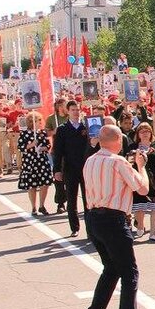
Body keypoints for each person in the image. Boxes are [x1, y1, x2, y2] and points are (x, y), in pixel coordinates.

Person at [80, 124, 151, 309]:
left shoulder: (91, 160)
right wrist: (141, 166)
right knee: (130, 274)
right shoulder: (117, 161)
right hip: (113, 219)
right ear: (118, 141)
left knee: (111, 269)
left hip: (94, 218)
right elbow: (142, 189)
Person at [52, 100, 90, 237]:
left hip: (86, 168)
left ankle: (90, 228)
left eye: (77, 109)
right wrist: (57, 170)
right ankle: (74, 227)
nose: (75, 112)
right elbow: (58, 151)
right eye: (73, 110)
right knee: (71, 199)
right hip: (70, 168)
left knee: (88, 199)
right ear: (68, 111)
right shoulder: (62, 129)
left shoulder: (86, 126)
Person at [128, 123, 155, 240]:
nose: (145, 134)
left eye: (147, 131)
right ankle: (140, 224)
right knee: (140, 205)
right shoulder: (132, 146)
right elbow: (128, 161)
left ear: (151, 133)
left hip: (154, 177)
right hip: (139, 176)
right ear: (138, 134)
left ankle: (153, 233)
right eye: (142, 131)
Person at [17, 110, 53, 216]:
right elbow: (20, 147)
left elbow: (48, 145)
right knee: (31, 184)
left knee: (45, 182)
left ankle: (42, 205)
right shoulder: (24, 133)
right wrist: (31, 145)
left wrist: (43, 148)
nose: (40, 122)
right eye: (38, 121)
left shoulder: (42, 133)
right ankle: (33, 207)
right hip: (30, 160)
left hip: (41, 160)